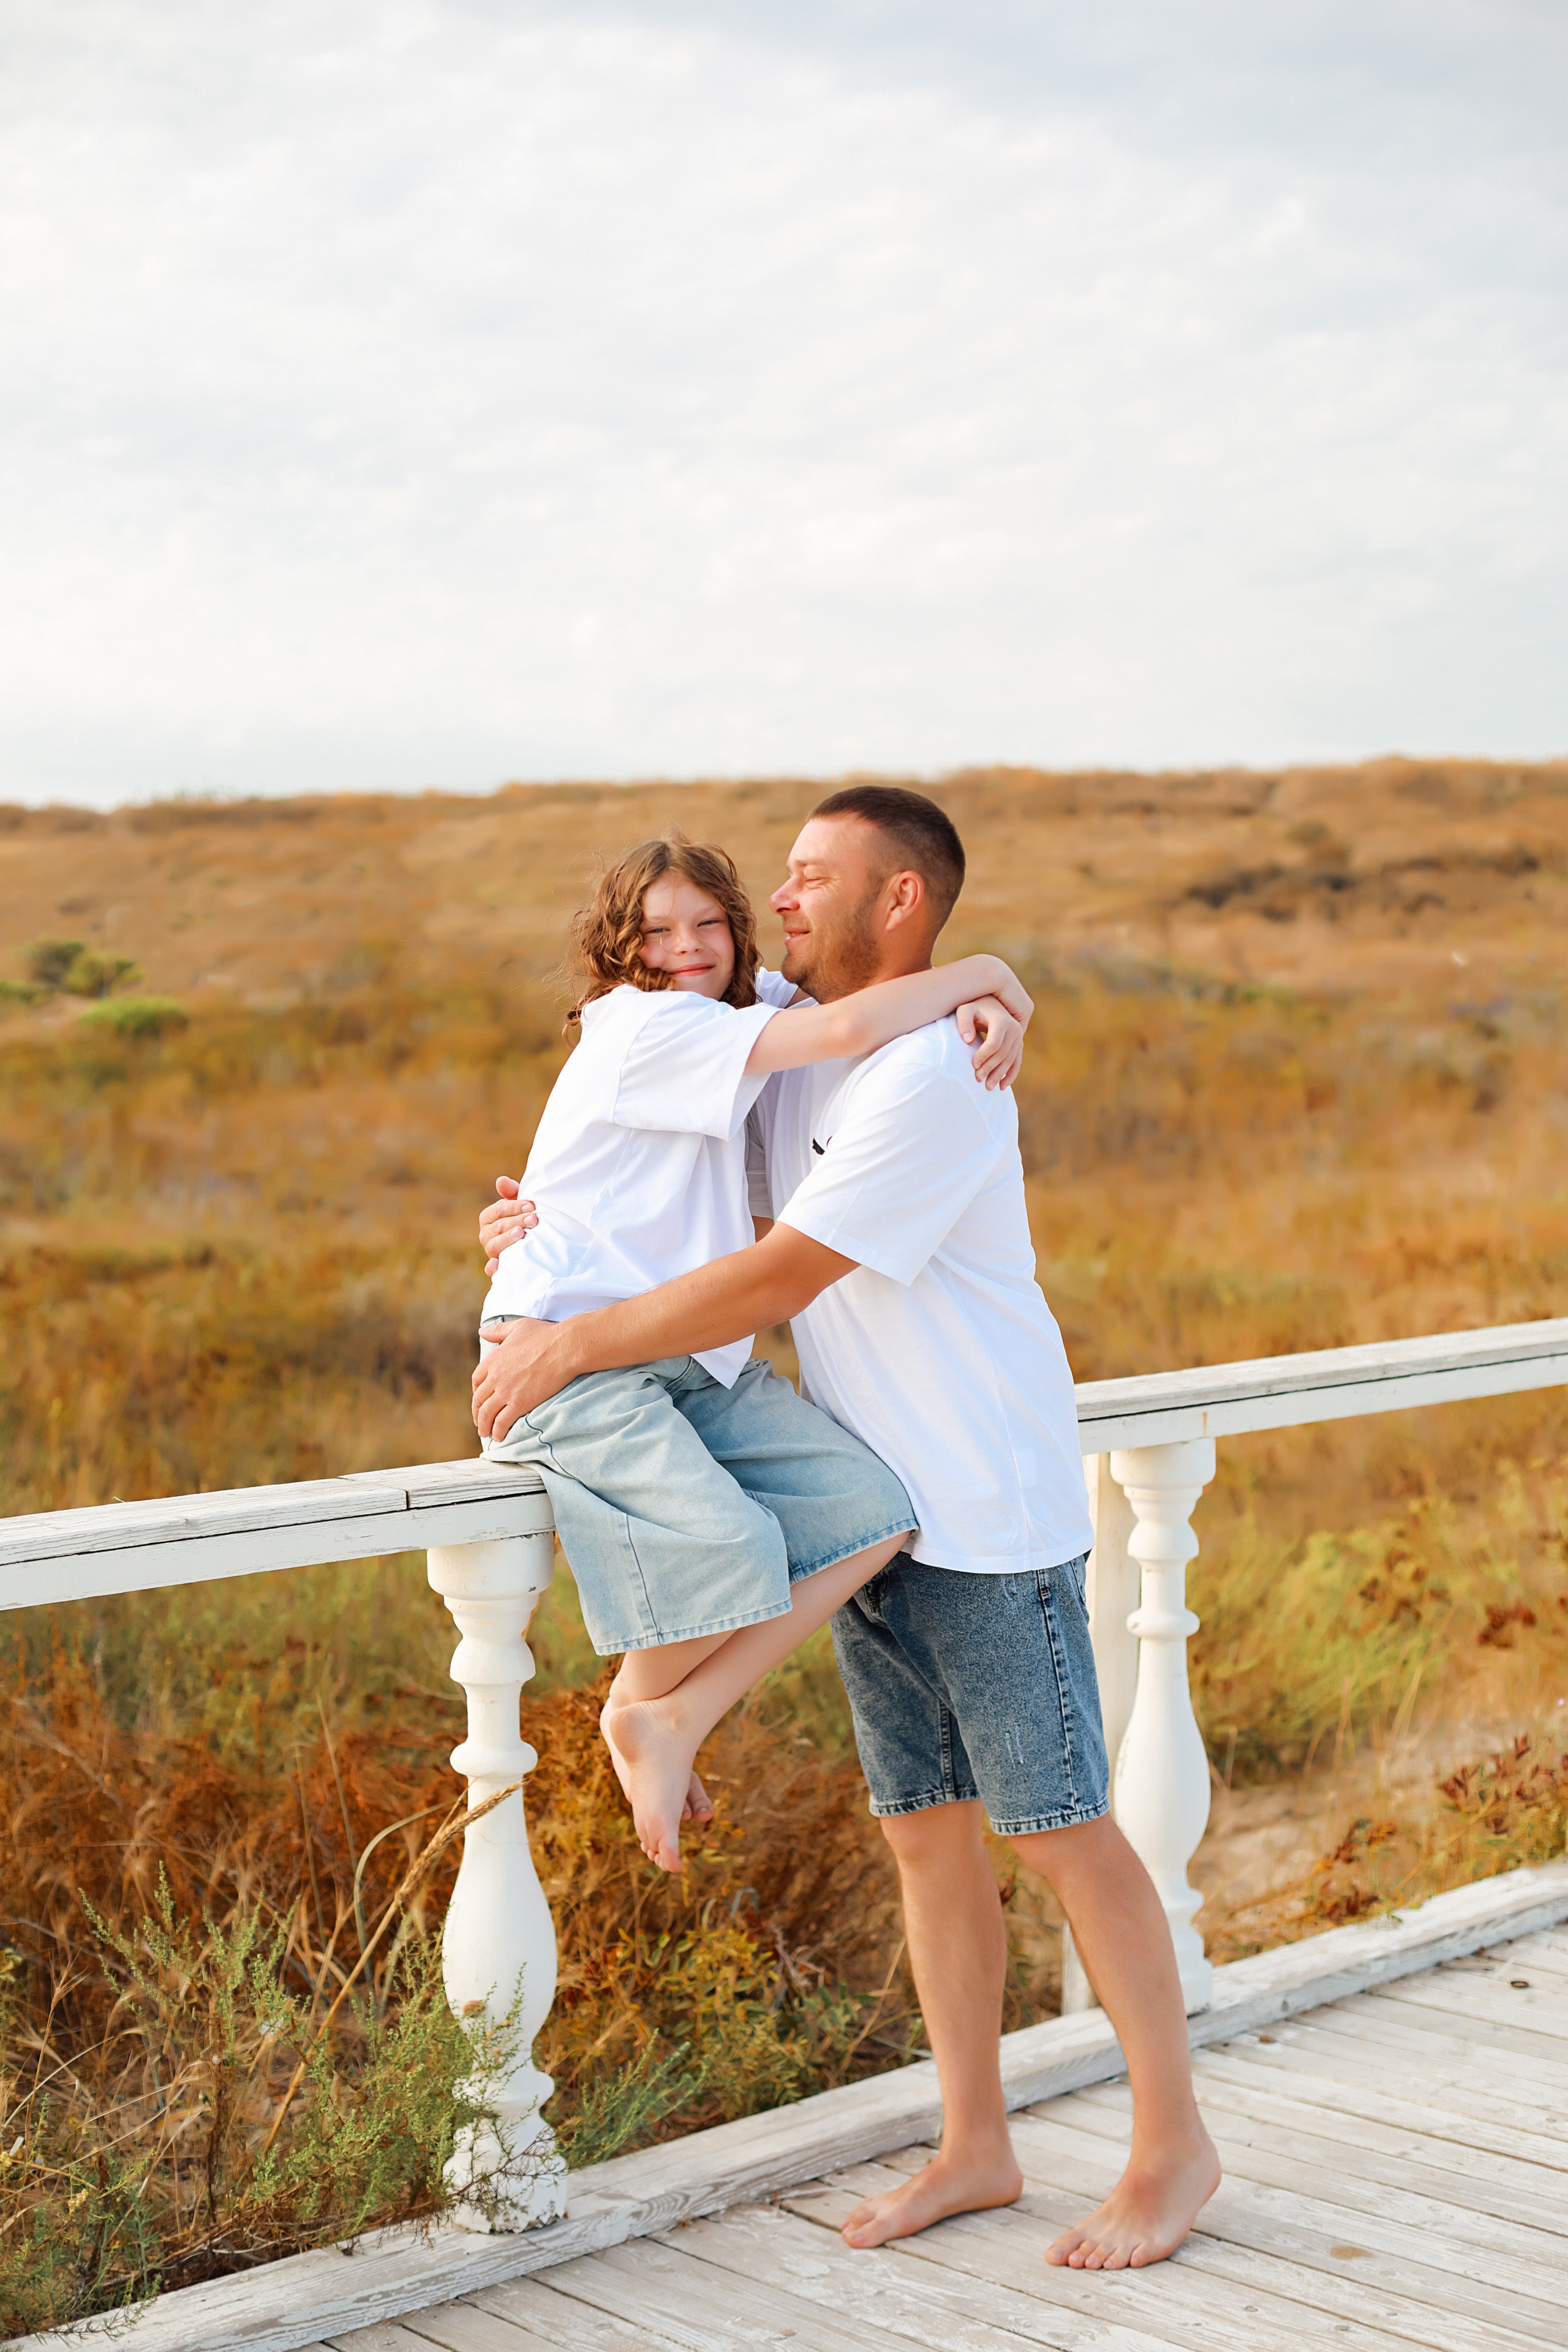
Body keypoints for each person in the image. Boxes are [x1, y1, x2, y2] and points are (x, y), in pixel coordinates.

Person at [473, 785, 1220, 2274]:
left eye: (813, 879)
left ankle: (1171, 2151)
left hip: (984, 1510)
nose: (781, 902)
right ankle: (975, 2146)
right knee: (923, 1844)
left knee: (1062, 1834)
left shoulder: (928, 1073)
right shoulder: (779, 1012)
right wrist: (533, 1230)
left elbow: (772, 1283)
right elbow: (641, 1068)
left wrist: (571, 1344)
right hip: (868, 1507)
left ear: (897, 903)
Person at [477, 828, 1034, 1874]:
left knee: (870, 1515)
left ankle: (670, 1720)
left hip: (689, 1358)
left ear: (734, 935)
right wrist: (998, 976)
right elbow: (859, 1024)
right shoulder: (646, 1026)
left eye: (706, 926)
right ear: (618, 951)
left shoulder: (741, 1013)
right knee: (732, 1551)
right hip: (567, 1357)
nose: (687, 948)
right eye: (655, 933)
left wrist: (990, 1009)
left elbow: (861, 1014)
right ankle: (643, 1715)